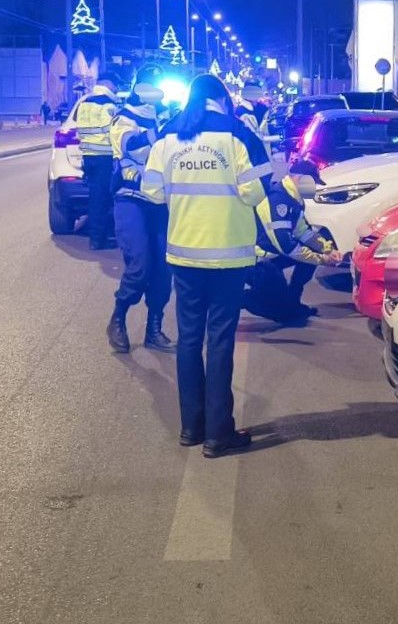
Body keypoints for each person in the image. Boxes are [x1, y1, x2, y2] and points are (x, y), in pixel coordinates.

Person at [142, 73, 272, 458]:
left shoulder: (168, 135)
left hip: (184, 254)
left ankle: (190, 428)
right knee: (220, 341)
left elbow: (151, 191)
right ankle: (218, 434)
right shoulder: (238, 134)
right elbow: (256, 190)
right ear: (223, 99)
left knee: (188, 339)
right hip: (228, 255)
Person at [107, 64, 174, 354]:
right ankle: (118, 317)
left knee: (164, 269)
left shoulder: (167, 114)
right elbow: (130, 146)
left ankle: (154, 329)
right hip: (131, 198)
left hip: (161, 202)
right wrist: (160, 131)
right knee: (140, 264)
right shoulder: (124, 117)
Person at [243, 174, 342, 322]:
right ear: (298, 178)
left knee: (289, 311)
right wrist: (322, 259)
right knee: (277, 311)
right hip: (256, 261)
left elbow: (304, 232)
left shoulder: (294, 199)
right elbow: (287, 246)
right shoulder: (277, 200)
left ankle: (293, 301)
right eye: (312, 182)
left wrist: (327, 250)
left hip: (272, 256)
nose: (314, 187)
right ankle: (235, 299)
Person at [75, 72, 120, 250]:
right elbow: (113, 132)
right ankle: (98, 239)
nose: (116, 89)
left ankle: (97, 236)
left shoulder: (84, 104)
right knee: (102, 199)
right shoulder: (108, 105)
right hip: (104, 157)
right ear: (108, 84)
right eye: (115, 85)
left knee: (95, 197)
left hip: (88, 156)